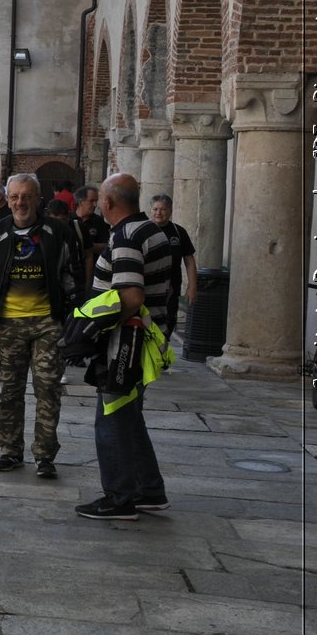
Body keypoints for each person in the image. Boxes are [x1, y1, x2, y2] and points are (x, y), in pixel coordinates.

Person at [0, 173, 80, 479]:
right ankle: (10, 450)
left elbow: (72, 276)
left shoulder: (57, 232)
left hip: (48, 323)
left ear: (37, 199)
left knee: (48, 390)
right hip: (7, 325)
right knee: (9, 391)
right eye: (15, 196)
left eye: (26, 196)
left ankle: (45, 455)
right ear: (7, 200)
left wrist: (74, 320)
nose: (21, 202)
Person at [77, 173, 173, 520]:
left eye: (101, 197)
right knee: (129, 418)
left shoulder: (127, 236)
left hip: (125, 344)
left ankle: (119, 497)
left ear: (109, 202)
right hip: (144, 339)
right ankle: (149, 490)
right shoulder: (152, 230)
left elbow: (130, 296)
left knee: (112, 420)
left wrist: (91, 328)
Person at [149, 194, 197, 341]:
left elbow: (189, 260)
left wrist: (192, 286)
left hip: (171, 290)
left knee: (168, 324)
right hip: (149, 289)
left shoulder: (178, 232)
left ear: (170, 211)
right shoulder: (145, 231)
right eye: (155, 209)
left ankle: (161, 357)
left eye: (163, 209)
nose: (158, 213)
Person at [72, 183, 109, 291]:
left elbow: (106, 246)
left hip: (94, 273)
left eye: (96, 201)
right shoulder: (70, 221)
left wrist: (87, 246)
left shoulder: (99, 222)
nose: (95, 204)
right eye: (91, 201)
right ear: (80, 201)